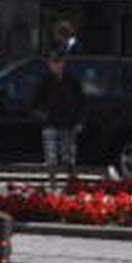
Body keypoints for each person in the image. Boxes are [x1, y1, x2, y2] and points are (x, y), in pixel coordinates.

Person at [39, 53, 86, 185]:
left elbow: (81, 102)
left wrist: (79, 121)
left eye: (58, 63)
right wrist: (43, 114)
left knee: (69, 156)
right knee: (51, 156)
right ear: (49, 65)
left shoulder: (72, 80)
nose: (56, 66)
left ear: (63, 64)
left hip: (68, 122)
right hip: (51, 123)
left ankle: (71, 182)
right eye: (53, 63)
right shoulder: (46, 81)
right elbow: (36, 101)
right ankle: (52, 183)